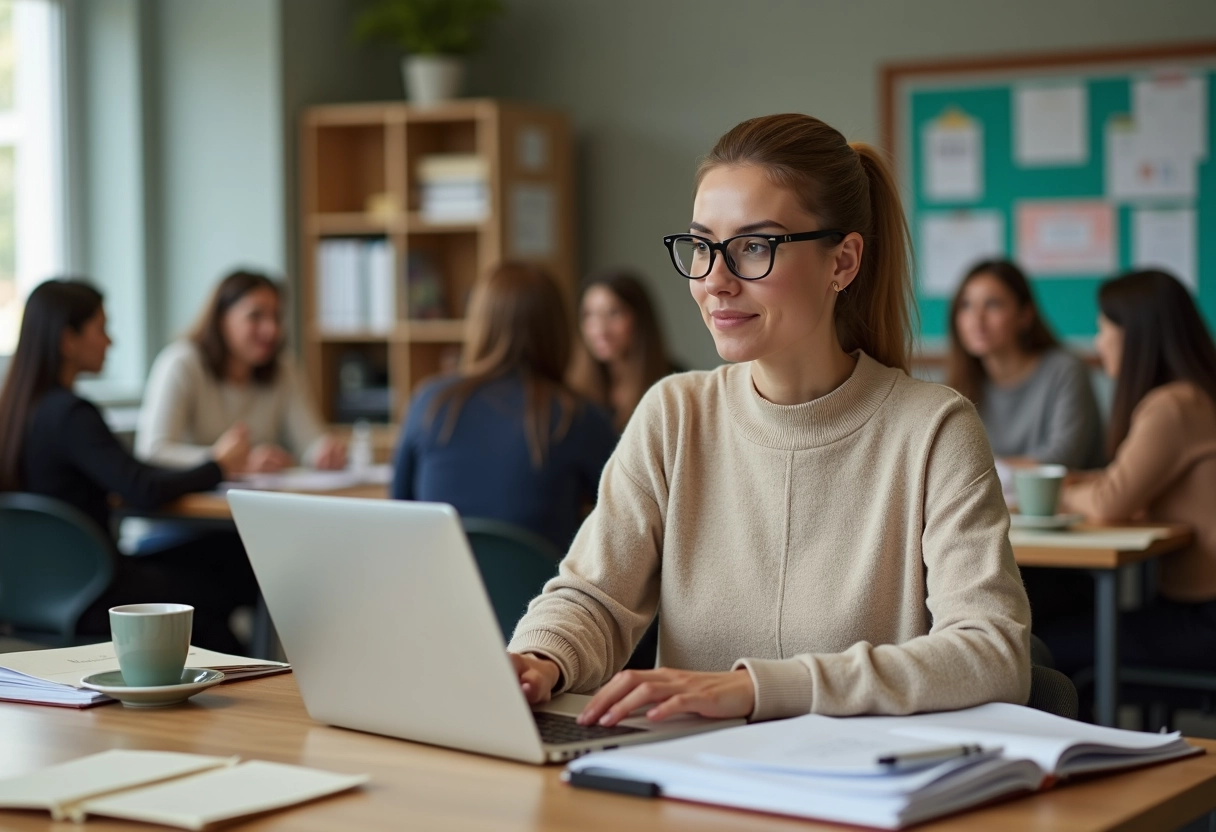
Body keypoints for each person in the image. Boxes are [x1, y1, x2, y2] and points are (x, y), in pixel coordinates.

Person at [507, 114, 1031, 727]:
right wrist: (538, 658)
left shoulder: (935, 428)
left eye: (754, 246)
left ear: (843, 261)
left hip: (860, 792)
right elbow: (595, 595)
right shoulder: (674, 413)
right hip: (693, 783)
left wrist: (762, 689)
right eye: (702, 246)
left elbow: (993, 652)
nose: (715, 281)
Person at [0, 279, 257, 652]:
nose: (110, 341)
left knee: (214, 562)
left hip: (36, 592)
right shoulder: (71, 414)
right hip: (93, 592)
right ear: (67, 340)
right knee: (234, 566)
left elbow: (129, 473)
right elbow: (142, 488)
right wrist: (218, 466)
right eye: (101, 329)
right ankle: (252, 685)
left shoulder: (15, 412)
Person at [1052, 270, 1216, 677]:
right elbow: (1122, 482)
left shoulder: (1172, 406)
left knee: (1041, 643)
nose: (1098, 342)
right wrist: (1084, 483)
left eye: (1103, 328)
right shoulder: (1195, 394)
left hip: (1202, 620)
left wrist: (1059, 491)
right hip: (1195, 609)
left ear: (1137, 334)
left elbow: (1110, 503)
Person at [391, 262, 617, 552]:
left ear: (480, 324)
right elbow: (621, 525)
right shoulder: (577, 417)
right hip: (537, 595)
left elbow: (399, 511)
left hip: (437, 593)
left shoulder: (430, 402)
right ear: (558, 329)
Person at [136, 270, 345, 473]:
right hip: (196, 505)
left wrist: (323, 452)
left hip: (261, 502)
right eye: (255, 316)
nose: (271, 329)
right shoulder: (181, 363)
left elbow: (309, 441)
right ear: (221, 319)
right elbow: (152, 451)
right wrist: (225, 461)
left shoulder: (284, 367)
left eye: (276, 317)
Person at [947, 260, 1103, 470]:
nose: (977, 319)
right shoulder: (959, 385)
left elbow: (1064, 458)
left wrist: (981, 470)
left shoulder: (1064, 370)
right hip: (992, 502)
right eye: (966, 305)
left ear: (1025, 315)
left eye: (993, 304)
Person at [569, 270, 680, 432]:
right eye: (589, 315)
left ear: (640, 319)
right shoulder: (572, 390)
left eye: (614, 313)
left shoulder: (674, 382)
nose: (600, 330)